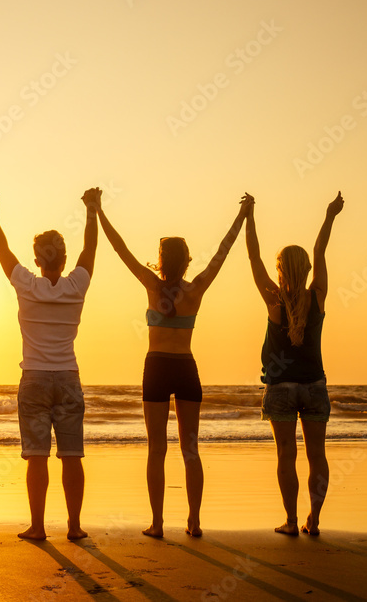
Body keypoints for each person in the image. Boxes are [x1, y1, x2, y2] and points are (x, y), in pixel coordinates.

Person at [91, 193, 253, 538]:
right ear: (188, 260)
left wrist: (99, 210)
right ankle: (194, 521)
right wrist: (242, 214)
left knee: (157, 449)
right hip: (186, 367)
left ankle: (158, 523)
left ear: (162, 260)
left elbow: (120, 250)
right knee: (190, 448)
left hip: (157, 368)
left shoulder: (152, 285)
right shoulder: (196, 288)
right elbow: (223, 252)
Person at [0, 187, 98, 541]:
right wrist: (92, 210)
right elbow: (90, 249)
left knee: (36, 456)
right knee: (72, 456)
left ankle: (37, 526)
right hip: (67, 378)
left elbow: (2, 251)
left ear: (37, 260)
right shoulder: (76, 285)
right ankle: (74, 526)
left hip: (33, 379)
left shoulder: (26, 285)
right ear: (63, 261)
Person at [245, 192, 343, 536]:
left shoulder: (274, 299)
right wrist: (330, 215)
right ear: (307, 270)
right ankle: (313, 520)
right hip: (315, 385)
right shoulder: (317, 294)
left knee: (286, 453)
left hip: (280, 387)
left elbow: (254, 257)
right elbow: (320, 251)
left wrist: (249, 215)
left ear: (280, 270)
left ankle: (289, 520)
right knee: (317, 453)